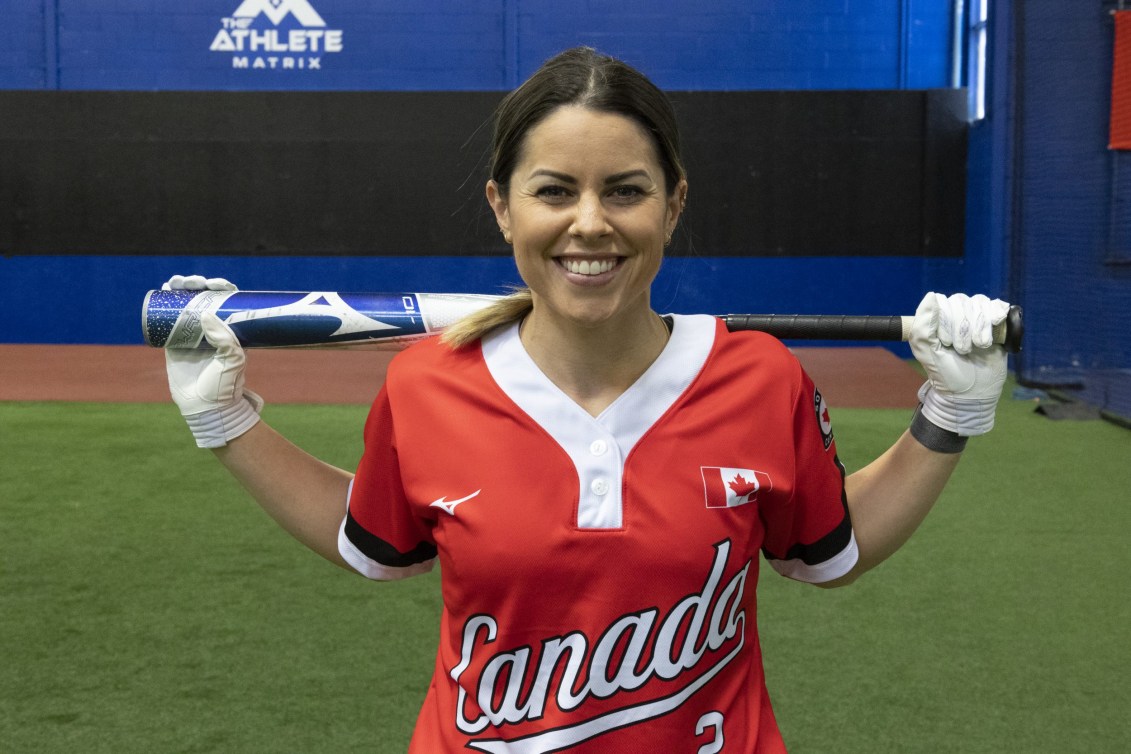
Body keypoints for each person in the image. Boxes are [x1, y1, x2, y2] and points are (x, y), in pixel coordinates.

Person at [162, 47, 1010, 753]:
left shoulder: (759, 379)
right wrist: (226, 422)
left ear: (673, 205)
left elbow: (829, 551)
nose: (590, 223)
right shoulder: (428, 383)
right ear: (503, 207)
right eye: (555, 190)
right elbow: (373, 544)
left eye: (626, 191)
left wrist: (950, 415)